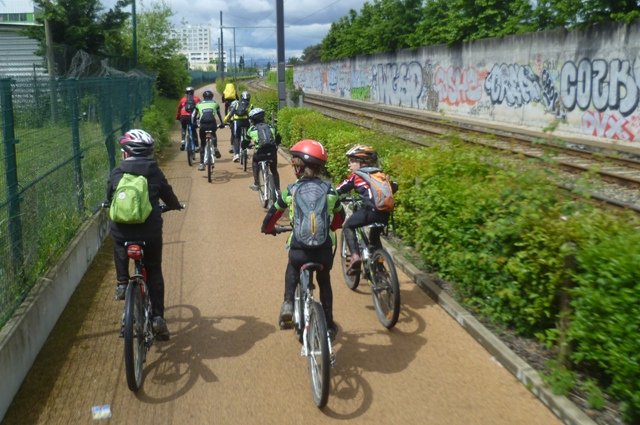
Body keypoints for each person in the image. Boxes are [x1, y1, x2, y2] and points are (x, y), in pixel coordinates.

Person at [261, 139, 345, 340]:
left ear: (299, 168)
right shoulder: (330, 191)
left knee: (292, 266)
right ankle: (329, 324)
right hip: (324, 251)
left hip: (299, 250)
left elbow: (273, 214)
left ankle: (288, 302)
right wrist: (330, 228)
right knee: (324, 281)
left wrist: (268, 229)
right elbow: (340, 219)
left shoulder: (291, 190)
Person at [106, 129, 183, 341]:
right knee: (154, 269)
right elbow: (168, 195)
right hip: (149, 232)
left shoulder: (117, 172)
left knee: (119, 243)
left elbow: (109, 196)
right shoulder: (154, 171)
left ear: (125, 153)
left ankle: (122, 284)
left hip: (122, 230)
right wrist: (175, 206)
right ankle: (158, 318)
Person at [335, 145, 398, 274]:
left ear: (362, 162)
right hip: (385, 213)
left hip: (370, 212)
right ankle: (379, 269)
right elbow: (394, 187)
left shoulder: (356, 176)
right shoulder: (381, 175)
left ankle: (355, 257)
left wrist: (334, 197)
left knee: (348, 226)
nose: (349, 165)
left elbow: (338, 190)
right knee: (374, 240)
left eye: (352, 161)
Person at [247, 107, 280, 191]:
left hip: (260, 154)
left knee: (255, 161)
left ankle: (256, 183)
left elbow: (245, 141)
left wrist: (246, 146)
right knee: (274, 170)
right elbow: (278, 138)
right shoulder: (271, 127)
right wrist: (277, 144)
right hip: (272, 152)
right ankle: (278, 189)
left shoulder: (251, 129)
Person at [194, 89, 225, 171]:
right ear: (212, 96)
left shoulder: (198, 104)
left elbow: (193, 116)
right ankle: (215, 147)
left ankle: (201, 164)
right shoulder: (215, 103)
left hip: (203, 125)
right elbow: (219, 114)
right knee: (213, 134)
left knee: (203, 144)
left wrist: (194, 124)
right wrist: (222, 123)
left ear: (203, 97)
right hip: (212, 124)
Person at [223, 90, 253, 162]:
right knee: (248, 136)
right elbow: (252, 114)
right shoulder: (250, 105)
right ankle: (248, 145)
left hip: (237, 122)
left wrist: (224, 121)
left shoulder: (237, 104)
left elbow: (230, 114)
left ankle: (236, 154)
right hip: (246, 122)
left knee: (237, 138)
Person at [176, 86, 201, 151]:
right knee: (193, 130)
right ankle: (196, 146)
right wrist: (199, 117)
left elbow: (179, 109)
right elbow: (200, 108)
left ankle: (183, 142)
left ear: (186, 92)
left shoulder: (182, 99)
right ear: (193, 92)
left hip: (183, 117)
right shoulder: (196, 99)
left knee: (184, 128)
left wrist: (178, 117)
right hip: (192, 117)